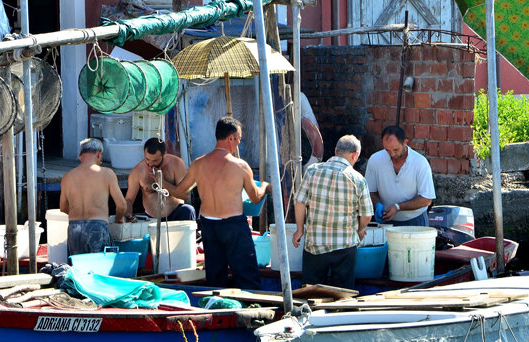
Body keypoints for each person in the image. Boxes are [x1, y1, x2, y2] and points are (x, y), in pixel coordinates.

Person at [174, 117, 269, 290]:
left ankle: (217, 310)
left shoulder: (198, 164)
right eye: (238, 139)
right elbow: (255, 198)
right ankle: (251, 311)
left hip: (209, 226)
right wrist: (264, 186)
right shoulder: (240, 166)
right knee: (246, 275)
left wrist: (162, 185)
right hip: (234, 226)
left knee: (215, 277)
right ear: (230, 138)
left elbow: (180, 191)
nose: (238, 143)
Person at [292, 135, 373, 289]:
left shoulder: (312, 171)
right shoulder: (358, 179)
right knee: (343, 294)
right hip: (344, 245)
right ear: (355, 155)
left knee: (311, 291)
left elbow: (300, 202)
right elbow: (367, 214)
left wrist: (299, 230)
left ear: (336, 151)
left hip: (314, 243)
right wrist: (360, 229)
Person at [60, 138, 127, 256]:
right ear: (99, 154)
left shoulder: (67, 177)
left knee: (78, 269)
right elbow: (121, 205)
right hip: (98, 228)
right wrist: (118, 218)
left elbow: (63, 208)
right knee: (100, 268)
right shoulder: (107, 173)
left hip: (74, 229)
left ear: (80, 156)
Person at [364, 125, 436, 226]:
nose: (392, 154)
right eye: (387, 150)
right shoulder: (375, 160)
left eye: (396, 150)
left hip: (414, 221)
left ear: (405, 143)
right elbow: (369, 191)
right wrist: (378, 204)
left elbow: (427, 199)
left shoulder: (420, 162)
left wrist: (398, 207)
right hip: (386, 220)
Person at [125, 137, 196, 222]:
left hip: (176, 212)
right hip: (152, 218)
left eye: (155, 160)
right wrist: (128, 214)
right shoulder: (138, 171)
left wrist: (163, 183)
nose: (150, 164)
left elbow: (185, 196)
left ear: (164, 154)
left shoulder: (176, 163)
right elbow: (129, 199)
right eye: (147, 159)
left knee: (188, 210)